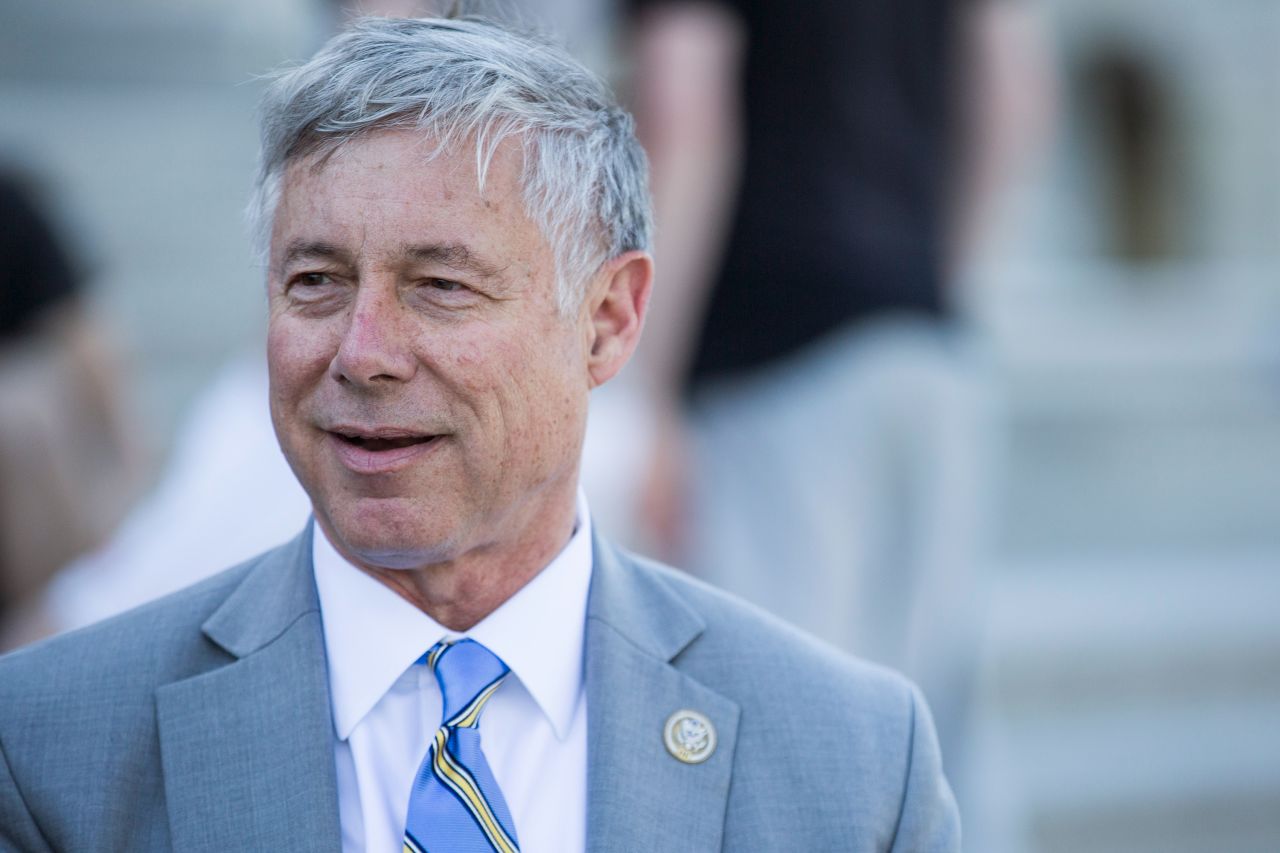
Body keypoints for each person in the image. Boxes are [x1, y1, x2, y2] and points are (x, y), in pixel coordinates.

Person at [0, 16, 958, 851]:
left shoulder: (856, 765)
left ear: (609, 319)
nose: (361, 353)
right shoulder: (51, 747)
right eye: (316, 283)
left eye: (441, 285)